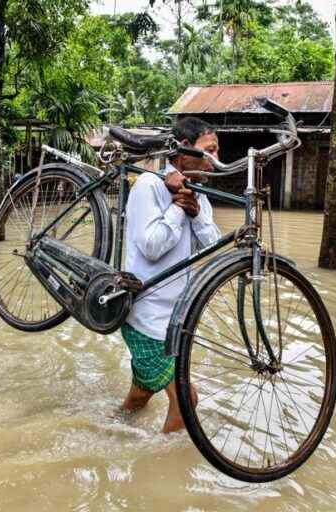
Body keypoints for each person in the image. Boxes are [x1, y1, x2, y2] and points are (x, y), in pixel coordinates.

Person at [119, 117, 222, 433]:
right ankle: (157, 469)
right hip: (146, 319)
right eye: (209, 151)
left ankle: (109, 427)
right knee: (186, 400)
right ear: (182, 149)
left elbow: (213, 244)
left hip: (175, 319)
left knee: (139, 398)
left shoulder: (198, 193)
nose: (215, 161)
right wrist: (177, 209)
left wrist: (192, 209)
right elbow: (150, 247)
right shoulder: (148, 186)